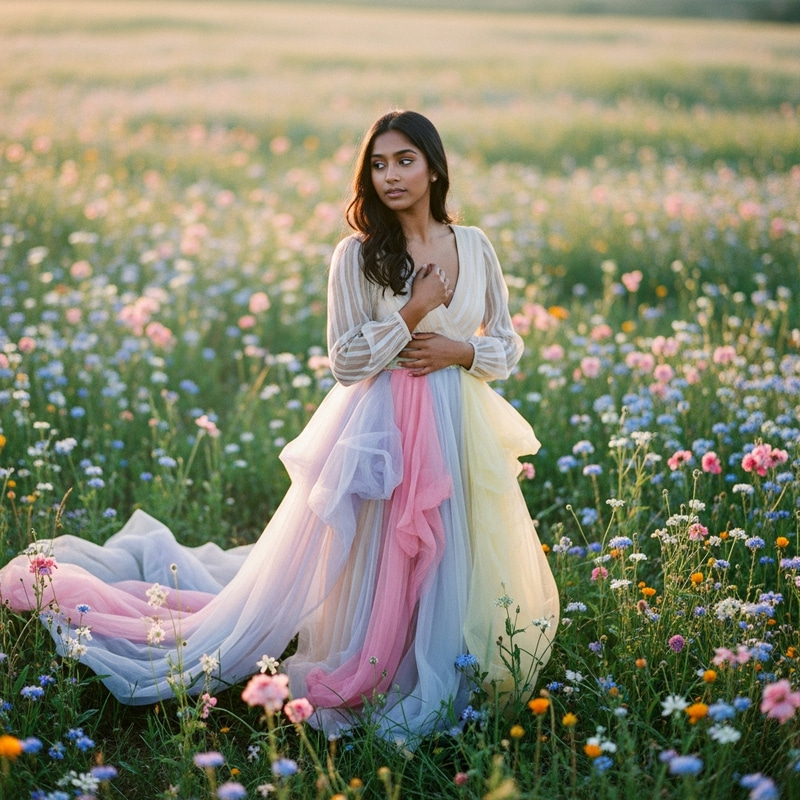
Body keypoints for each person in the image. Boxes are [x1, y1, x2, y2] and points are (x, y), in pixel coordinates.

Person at [0, 110, 559, 740]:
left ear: (434, 166)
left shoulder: (475, 245)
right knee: (379, 550)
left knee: (450, 546)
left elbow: (507, 345)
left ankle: (443, 658)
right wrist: (412, 312)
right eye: (377, 164)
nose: (391, 176)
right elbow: (345, 361)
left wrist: (459, 352)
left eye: (405, 160)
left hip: (456, 421)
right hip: (380, 428)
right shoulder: (356, 255)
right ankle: (377, 658)